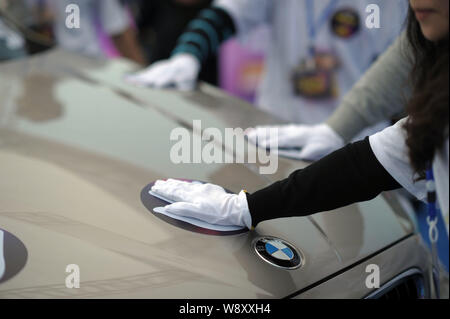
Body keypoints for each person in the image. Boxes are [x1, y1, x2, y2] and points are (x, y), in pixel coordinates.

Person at [150, 0, 449, 237]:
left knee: (358, 256)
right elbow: (228, 13)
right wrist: (188, 54)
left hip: (360, 152)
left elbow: (409, 57)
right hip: (274, 143)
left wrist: (245, 208)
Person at [126, 0, 408, 125]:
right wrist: (187, 54)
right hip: (274, 134)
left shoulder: (394, 5)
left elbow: (407, 76)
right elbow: (226, 15)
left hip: (352, 143)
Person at [44, 0, 146, 64]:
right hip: (91, 61)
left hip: (60, 59)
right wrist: (142, 72)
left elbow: (41, 14)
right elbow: (118, 32)